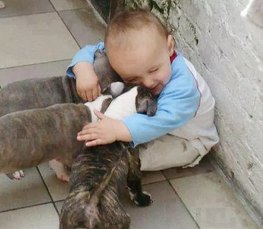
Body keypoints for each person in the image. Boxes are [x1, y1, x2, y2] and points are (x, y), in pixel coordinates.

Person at [66, 8, 219, 171]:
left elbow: (160, 121)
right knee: (101, 64)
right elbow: (92, 51)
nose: (147, 82)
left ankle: (90, 166)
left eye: (153, 70)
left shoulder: (184, 87)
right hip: (148, 118)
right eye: (133, 79)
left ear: (169, 47)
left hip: (184, 139)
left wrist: (117, 129)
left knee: (128, 158)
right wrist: (83, 69)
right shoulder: (139, 56)